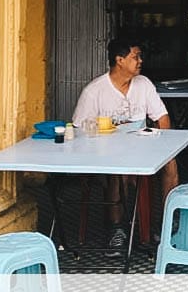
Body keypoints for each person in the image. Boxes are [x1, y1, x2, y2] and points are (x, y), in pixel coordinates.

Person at [72, 37, 178, 256]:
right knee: (118, 173)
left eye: (140, 56)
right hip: (106, 153)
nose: (140, 61)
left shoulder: (144, 84)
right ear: (119, 60)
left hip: (142, 148)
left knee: (170, 164)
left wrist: (165, 146)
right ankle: (117, 229)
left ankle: (167, 222)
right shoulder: (94, 91)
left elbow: (162, 116)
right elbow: (78, 129)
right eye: (135, 57)